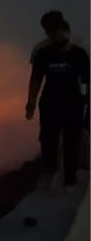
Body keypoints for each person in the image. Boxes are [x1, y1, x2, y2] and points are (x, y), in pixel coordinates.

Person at [25, 10, 89, 191]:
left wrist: (87, 104)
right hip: (50, 104)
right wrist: (30, 103)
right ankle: (51, 173)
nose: (55, 35)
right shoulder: (42, 52)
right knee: (48, 140)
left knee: (71, 141)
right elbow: (36, 79)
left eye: (58, 30)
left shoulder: (80, 51)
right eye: (50, 31)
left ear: (66, 29)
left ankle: (70, 180)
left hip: (74, 104)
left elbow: (87, 80)